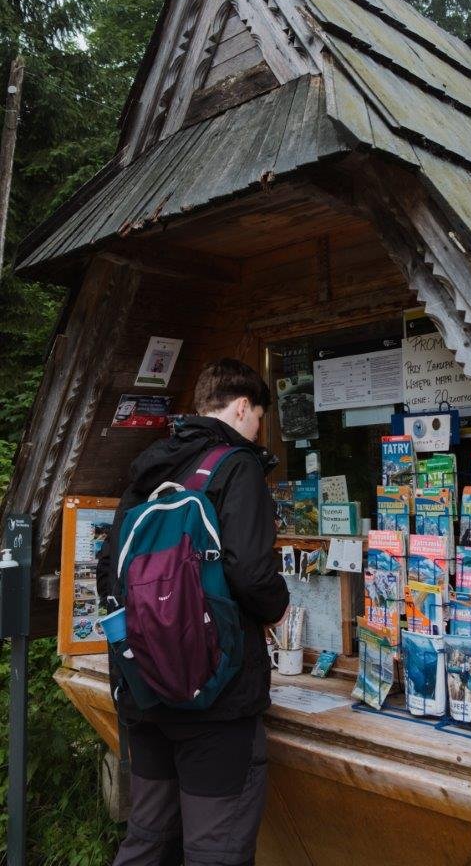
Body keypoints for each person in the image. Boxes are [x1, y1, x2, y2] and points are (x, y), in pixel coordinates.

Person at [97, 358, 290, 866]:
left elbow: (108, 570)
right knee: (215, 850)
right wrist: (279, 608)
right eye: (258, 419)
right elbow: (250, 572)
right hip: (216, 702)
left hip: (144, 691)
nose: (257, 432)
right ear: (244, 407)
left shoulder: (150, 465)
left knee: (148, 840)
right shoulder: (238, 465)